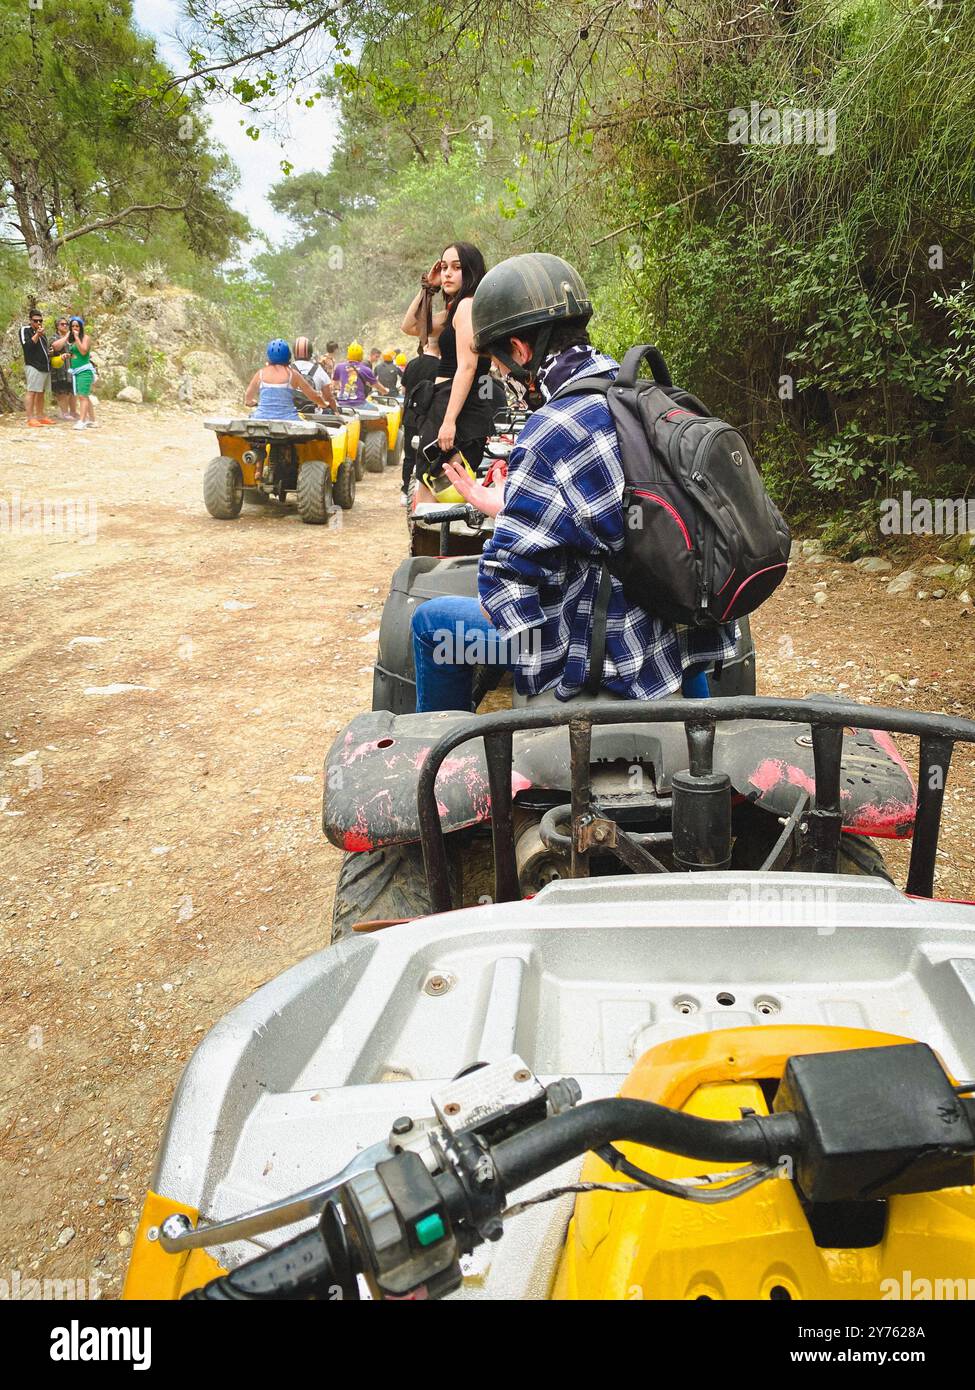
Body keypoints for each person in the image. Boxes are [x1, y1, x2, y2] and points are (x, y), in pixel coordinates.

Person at [410, 253, 739, 713]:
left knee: (432, 622)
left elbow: (508, 583)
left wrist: (508, 528)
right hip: (676, 633)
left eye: (502, 364)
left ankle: (443, 760)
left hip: (599, 650)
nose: (503, 374)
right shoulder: (651, 399)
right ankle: (695, 723)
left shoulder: (553, 427)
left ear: (522, 350)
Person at [400, 241, 496, 473]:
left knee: (437, 492)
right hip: (450, 404)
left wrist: (449, 421)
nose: (447, 273)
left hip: (454, 407)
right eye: (444, 267)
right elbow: (410, 326)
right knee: (437, 489)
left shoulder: (466, 307)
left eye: (456, 267)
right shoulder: (458, 311)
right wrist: (427, 288)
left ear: (471, 271)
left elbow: (467, 367)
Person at [399, 341, 442, 503]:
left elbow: (403, 389)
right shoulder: (441, 367)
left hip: (410, 416)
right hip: (430, 419)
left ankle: (405, 491)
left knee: (409, 455)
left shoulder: (412, 363)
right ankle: (424, 492)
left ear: (425, 346)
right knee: (427, 455)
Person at [244, 339, 329, 419]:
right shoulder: (293, 374)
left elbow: (248, 398)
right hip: (288, 418)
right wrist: (323, 404)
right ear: (288, 355)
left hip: (261, 417)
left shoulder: (260, 373)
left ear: (268, 356)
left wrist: (251, 402)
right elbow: (313, 395)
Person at [19, 309, 53, 427]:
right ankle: (30, 418)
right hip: (33, 365)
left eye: (40, 321)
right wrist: (37, 334)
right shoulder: (26, 330)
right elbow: (27, 347)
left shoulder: (43, 335)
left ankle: (40, 415)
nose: (38, 323)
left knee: (41, 392)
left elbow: (43, 349)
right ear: (30, 320)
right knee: (32, 391)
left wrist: (50, 352)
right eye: (36, 321)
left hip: (45, 366)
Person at [62, 317, 97, 430]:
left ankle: (82, 421)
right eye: (73, 326)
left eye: (77, 326)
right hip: (76, 371)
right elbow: (75, 354)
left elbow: (83, 351)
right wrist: (68, 356)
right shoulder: (72, 341)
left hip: (85, 371)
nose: (75, 328)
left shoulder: (85, 338)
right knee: (84, 396)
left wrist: (77, 337)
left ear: (81, 327)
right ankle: (92, 420)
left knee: (82, 396)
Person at [331, 341, 388, 406]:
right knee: (381, 413)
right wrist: (385, 391)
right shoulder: (366, 369)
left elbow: (334, 384)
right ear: (361, 355)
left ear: (348, 354)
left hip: (342, 404)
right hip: (359, 404)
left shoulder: (339, 367)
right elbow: (377, 386)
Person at [292, 337, 336, 412]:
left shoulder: (287, 369)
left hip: (290, 413)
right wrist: (336, 411)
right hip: (313, 415)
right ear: (310, 353)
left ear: (294, 353)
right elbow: (329, 397)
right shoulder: (318, 370)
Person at [49, 317, 79, 420]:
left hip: (71, 368)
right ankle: (64, 413)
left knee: (72, 391)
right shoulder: (54, 337)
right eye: (62, 324)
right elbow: (56, 347)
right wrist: (66, 336)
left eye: (66, 324)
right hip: (59, 370)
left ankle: (74, 412)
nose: (65, 326)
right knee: (61, 391)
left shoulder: (71, 339)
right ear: (57, 326)